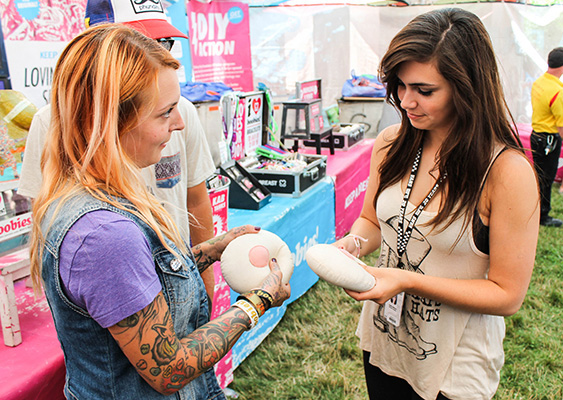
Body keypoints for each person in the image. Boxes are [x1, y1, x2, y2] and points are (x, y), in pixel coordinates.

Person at [29, 24, 291, 399]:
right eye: (165, 113)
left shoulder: (96, 196)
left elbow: (143, 279)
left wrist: (211, 250)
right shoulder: (104, 235)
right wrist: (257, 303)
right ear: (109, 123)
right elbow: (168, 369)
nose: (180, 123)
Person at [333, 8, 539, 400]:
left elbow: (507, 294)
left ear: (467, 88)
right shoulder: (391, 143)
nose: (407, 101)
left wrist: (406, 280)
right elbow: (373, 222)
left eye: (425, 90)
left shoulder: (507, 173)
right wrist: (352, 246)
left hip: (456, 368)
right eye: (400, 85)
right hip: (384, 342)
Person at [18, 0, 220, 300]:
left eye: (165, 42)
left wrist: (205, 286)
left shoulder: (181, 112)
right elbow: (46, 221)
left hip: (177, 285)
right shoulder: (51, 123)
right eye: (139, 44)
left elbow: (197, 200)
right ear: (100, 50)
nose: (159, 54)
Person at [530, 47, 563, 227]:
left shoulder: (538, 83)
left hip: (536, 136)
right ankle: (543, 216)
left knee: (538, 177)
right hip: (549, 139)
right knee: (547, 178)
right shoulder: (558, 92)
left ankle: (534, 210)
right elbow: (561, 126)